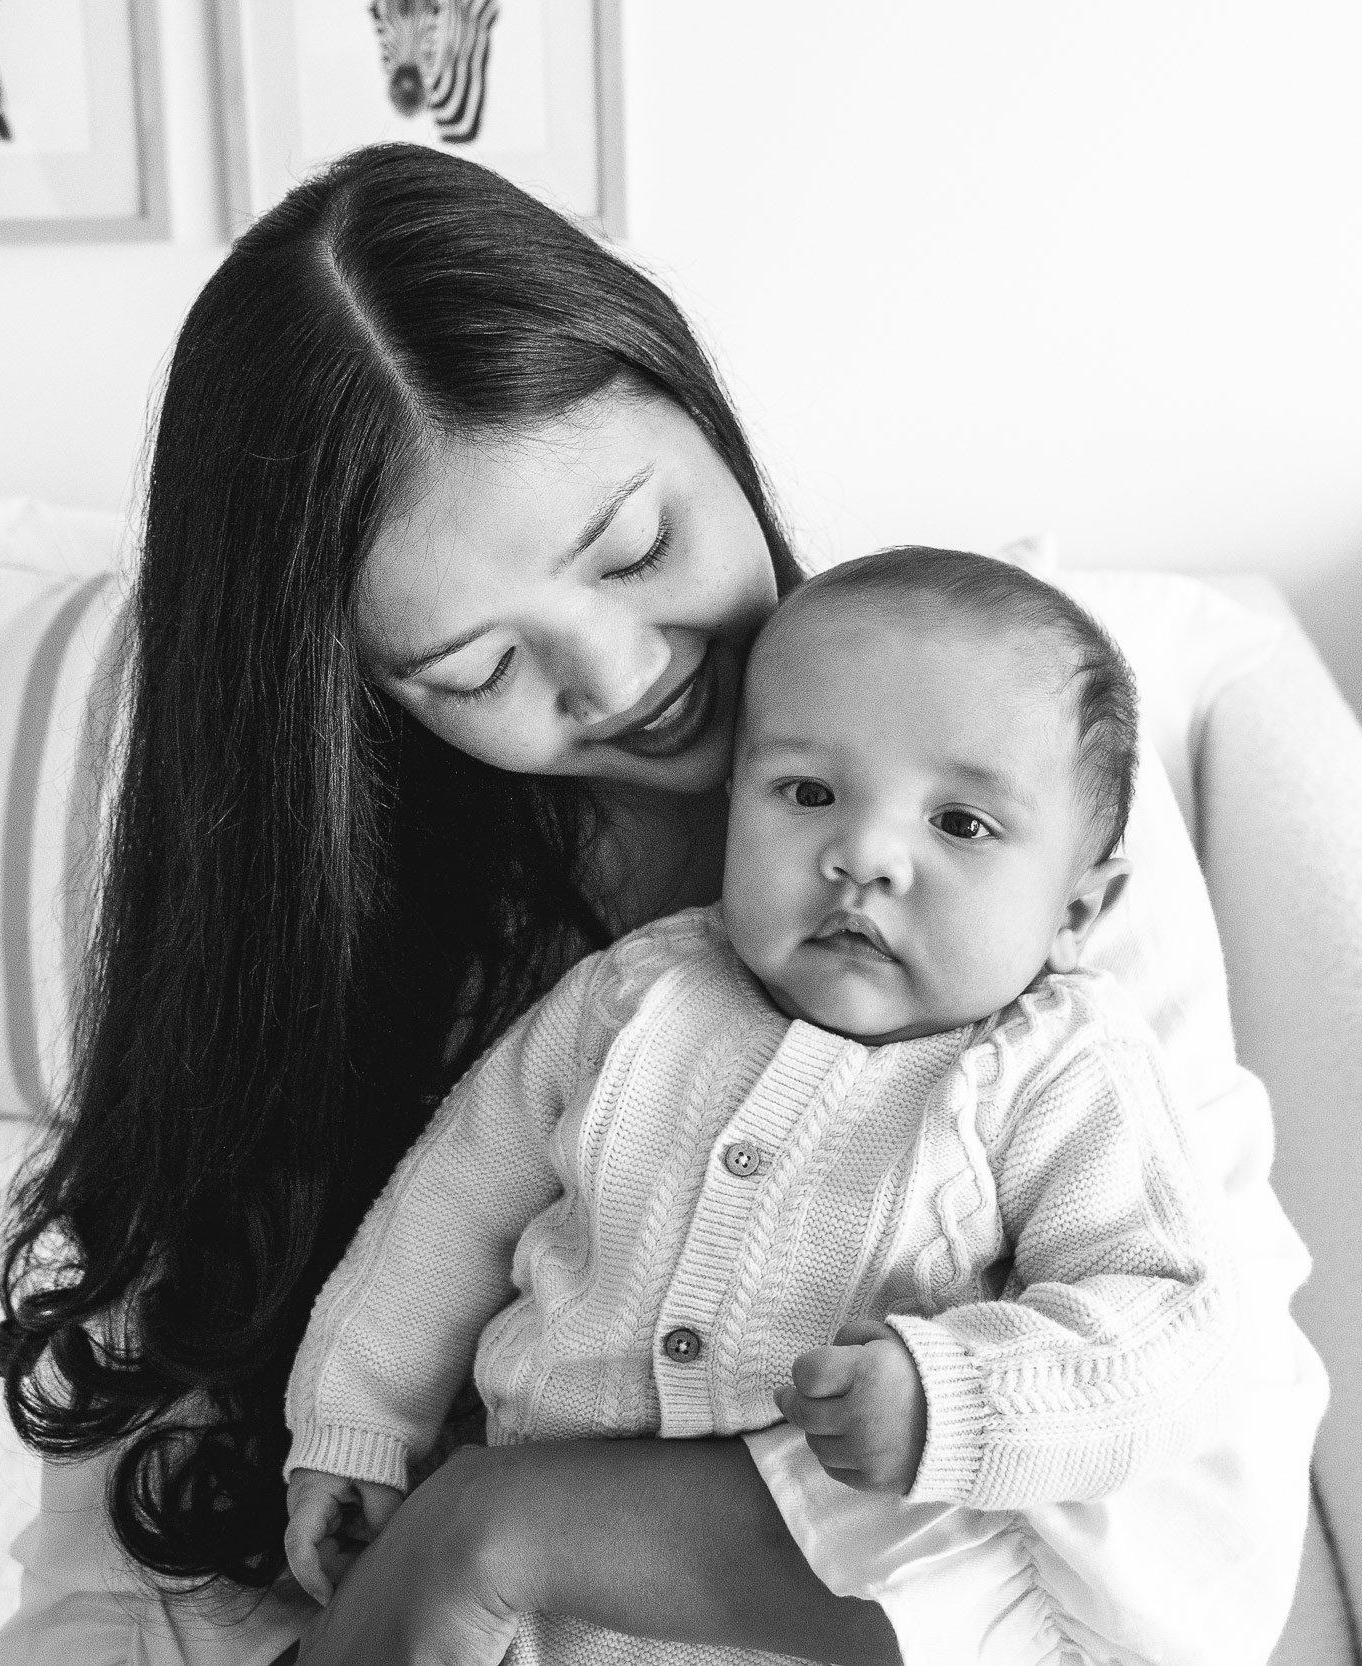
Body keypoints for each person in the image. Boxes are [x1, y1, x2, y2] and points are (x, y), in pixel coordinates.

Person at [0, 143, 1324, 1666]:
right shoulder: (384, 963)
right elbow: (112, 1569)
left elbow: (1192, 1540)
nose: (624, 677)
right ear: (341, 701)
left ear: (700, 410)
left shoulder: (1018, 822)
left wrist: (502, 1531)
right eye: (479, 667)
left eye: (638, 546)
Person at [283, 549, 1230, 1664]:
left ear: (1078, 906)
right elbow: (449, 1207)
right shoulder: (637, 996)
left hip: (795, 1612)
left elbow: (1162, 1326)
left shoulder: (1059, 1071)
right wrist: (354, 1422)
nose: (863, 855)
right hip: (523, 1626)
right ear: (733, 801)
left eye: (961, 824)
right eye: (807, 792)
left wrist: (955, 1397)